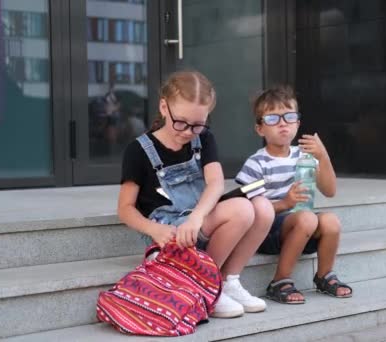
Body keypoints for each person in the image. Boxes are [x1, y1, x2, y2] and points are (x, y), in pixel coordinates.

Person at [117, 70, 274, 318]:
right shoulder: (138, 150)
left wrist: (196, 217)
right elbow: (125, 208)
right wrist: (153, 230)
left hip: (198, 221)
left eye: (198, 125)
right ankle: (204, 284)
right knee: (242, 209)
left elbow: (215, 183)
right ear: (163, 107)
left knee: (263, 207)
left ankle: (227, 280)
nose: (188, 132)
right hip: (168, 232)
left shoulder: (204, 139)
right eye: (180, 122)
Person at [235, 85, 352, 304]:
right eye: (272, 118)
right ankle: (280, 281)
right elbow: (250, 211)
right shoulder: (256, 163)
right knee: (307, 218)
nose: (282, 123)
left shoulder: (304, 156)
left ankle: (324, 275)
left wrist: (323, 156)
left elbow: (330, 190)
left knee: (331, 221)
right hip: (268, 234)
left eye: (289, 117)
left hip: (301, 229)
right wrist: (285, 203)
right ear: (259, 129)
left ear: (297, 123)